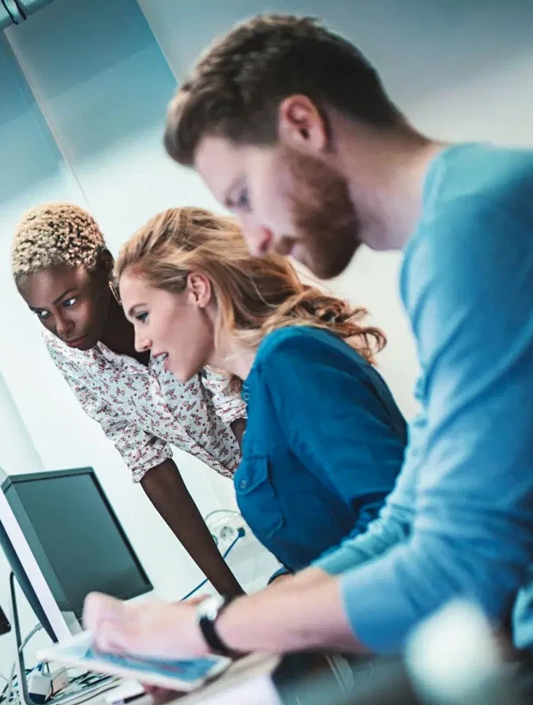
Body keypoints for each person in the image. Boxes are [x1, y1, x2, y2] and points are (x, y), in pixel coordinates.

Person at [83, 13, 533, 662]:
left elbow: (456, 563)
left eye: (244, 195)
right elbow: (406, 518)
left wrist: (210, 632)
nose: (255, 237)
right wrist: (231, 617)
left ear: (303, 125)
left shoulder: (474, 229)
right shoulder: (456, 228)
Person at [114, 206, 406, 586]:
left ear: (197, 289)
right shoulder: (258, 391)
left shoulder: (289, 358)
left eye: (143, 315)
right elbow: (324, 539)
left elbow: (394, 519)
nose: (140, 341)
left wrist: (270, 608)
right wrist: (282, 585)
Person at [11, 202, 247, 597]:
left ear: (105, 266)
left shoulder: (166, 295)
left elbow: (236, 403)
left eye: (69, 301)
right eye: (42, 314)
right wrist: (231, 596)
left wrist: (282, 518)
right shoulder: (67, 352)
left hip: (294, 457)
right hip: (262, 490)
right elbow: (144, 457)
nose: (61, 326)